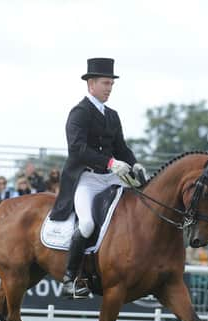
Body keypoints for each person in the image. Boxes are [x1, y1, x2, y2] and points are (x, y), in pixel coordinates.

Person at [49, 58, 146, 298]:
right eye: (105, 83)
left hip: (111, 178)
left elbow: (121, 147)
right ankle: (70, 278)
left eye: (111, 84)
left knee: (140, 206)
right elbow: (77, 149)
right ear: (91, 84)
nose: (109, 88)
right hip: (87, 179)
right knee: (87, 224)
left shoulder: (112, 115)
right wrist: (110, 162)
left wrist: (135, 164)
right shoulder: (79, 113)